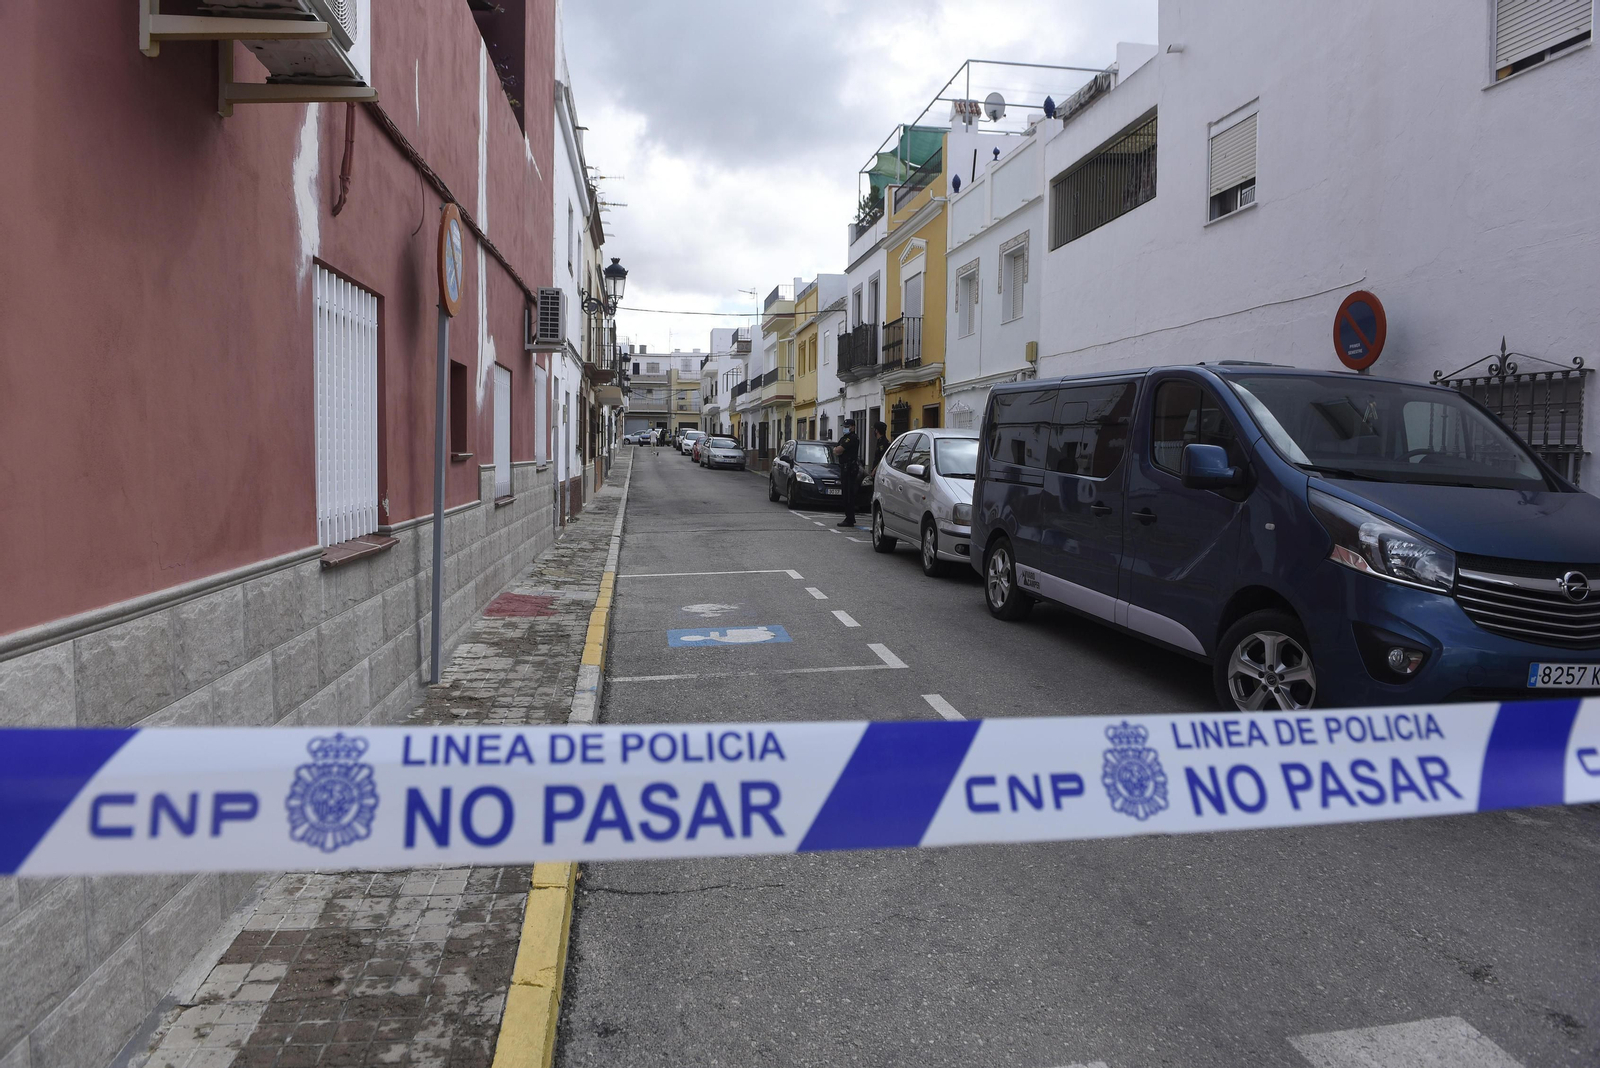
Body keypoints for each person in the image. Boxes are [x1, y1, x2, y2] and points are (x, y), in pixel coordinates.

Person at [834, 418, 861, 527]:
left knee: (849, 495)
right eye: (844, 427)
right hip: (844, 468)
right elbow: (835, 450)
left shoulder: (852, 438)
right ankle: (849, 517)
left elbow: (839, 450)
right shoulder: (844, 438)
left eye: (847, 426)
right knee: (845, 494)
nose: (845, 428)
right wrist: (838, 450)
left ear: (853, 427)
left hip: (850, 469)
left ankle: (850, 518)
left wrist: (839, 450)